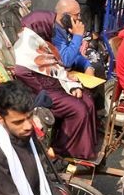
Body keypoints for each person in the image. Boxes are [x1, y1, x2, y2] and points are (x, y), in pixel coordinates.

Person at [11, 12, 98, 161]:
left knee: (87, 100)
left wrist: (71, 86)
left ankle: (86, 146)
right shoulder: (24, 47)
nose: (53, 29)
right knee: (78, 108)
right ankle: (67, 150)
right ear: (39, 27)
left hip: (53, 85)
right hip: (39, 93)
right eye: (50, 26)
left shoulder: (40, 43)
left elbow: (58, 68)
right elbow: (26, 75)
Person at [52, 0, 93, 72]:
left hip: (68, 69)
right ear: (66, 16)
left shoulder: (66, 28)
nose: (79, 18)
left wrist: (87, 66)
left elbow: (75, 54)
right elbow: (66, 61)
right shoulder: (54, 32)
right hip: (58, 74)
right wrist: (77, 36)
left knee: (97, 66)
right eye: (77, 15)